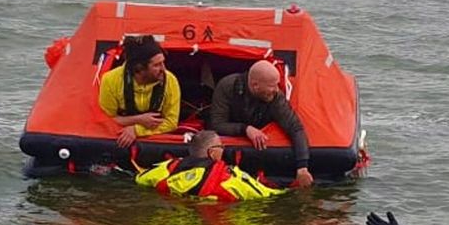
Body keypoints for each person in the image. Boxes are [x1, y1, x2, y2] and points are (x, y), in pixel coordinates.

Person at [209, 60, 314, 188]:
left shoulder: (276, 97)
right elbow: (217, 124)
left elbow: (295, 128)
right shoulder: (228, 86)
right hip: (233, 137)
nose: (276, 90)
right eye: (272, 86)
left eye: (277, 85)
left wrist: (302, 167)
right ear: (255, 86)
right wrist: (245, 129)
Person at [134, 130, 286, 201]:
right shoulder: (230, 178)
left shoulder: (167, 168)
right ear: (212, 153)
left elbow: (140, 179)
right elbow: (265, 195)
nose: (223, 150)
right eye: (221, 147)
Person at [98, 35, 180, 148]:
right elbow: (107, 119)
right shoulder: (110, 80)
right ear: (139, 68)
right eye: (156, 65)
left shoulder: (170, 81)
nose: (163, 69)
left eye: (163, 62)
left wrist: (137, 130)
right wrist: (139, 120)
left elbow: (171, 122)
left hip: (155, 140)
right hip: (120, 138)